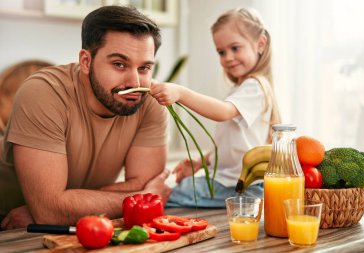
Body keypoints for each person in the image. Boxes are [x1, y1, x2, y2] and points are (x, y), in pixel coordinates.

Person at [0, 5, 172, 230]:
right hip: (8, 223)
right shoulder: (43, 92)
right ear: (86, 62)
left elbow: (144, 186)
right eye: (119, 64)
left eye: (144, 68)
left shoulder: (149, 102)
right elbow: (147, 195)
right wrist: (139, 197)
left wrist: (58, 206)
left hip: (73, 227)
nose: (135, 83)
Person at [150, 8, 281, 207]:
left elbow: (223, 112)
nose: (228, 57)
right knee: (179, 190)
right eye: (221, 52)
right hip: (229, 182)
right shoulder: (242, 88)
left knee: (169, 196)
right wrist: (201, 162)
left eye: (235, 48)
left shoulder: (255, 87)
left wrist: (181, 93)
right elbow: (231, 144)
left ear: (260, 44)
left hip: (240, 186)